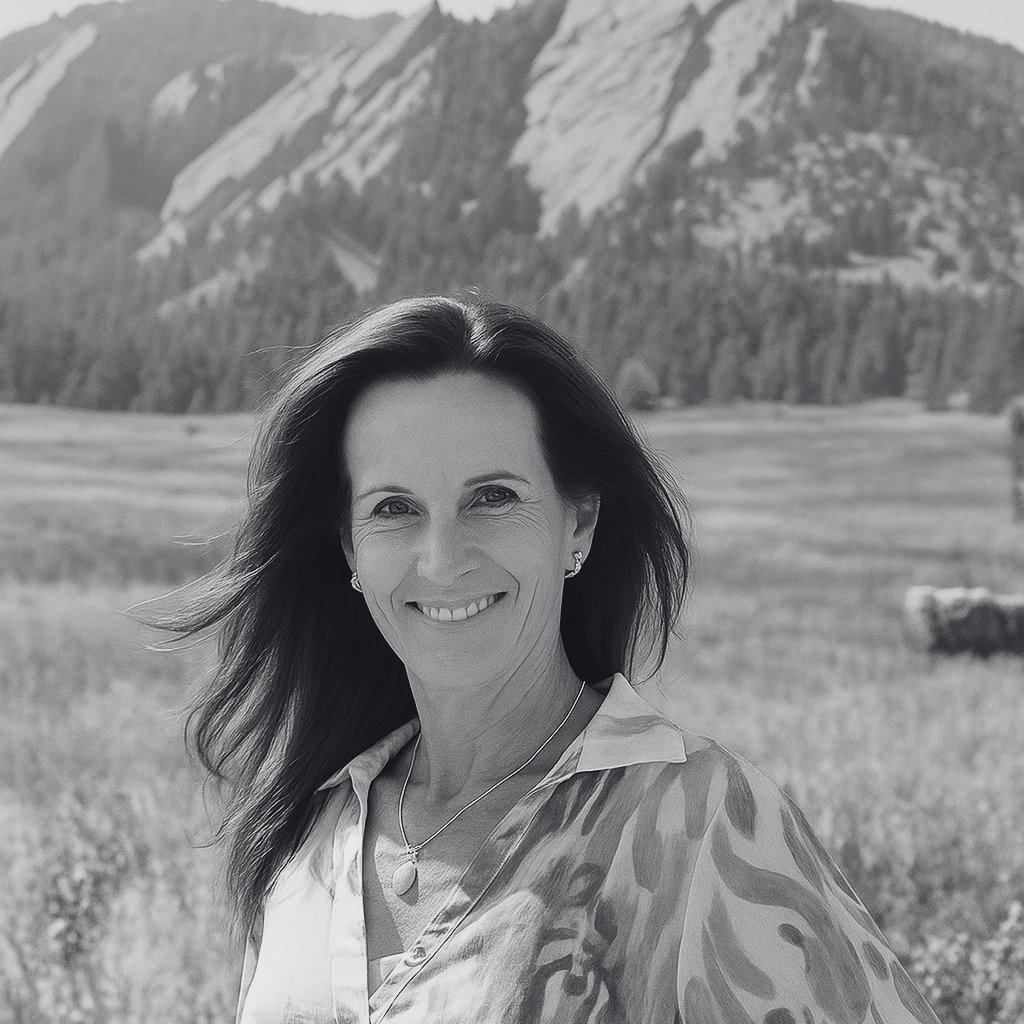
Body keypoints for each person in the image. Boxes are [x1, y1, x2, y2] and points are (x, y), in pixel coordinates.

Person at [170, 295, 941, 1023]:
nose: (442, 559)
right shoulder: (310, 831)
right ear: (350, 548)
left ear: (578, 521)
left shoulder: (698, 822)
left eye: (493, 497)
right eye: (394, 508)